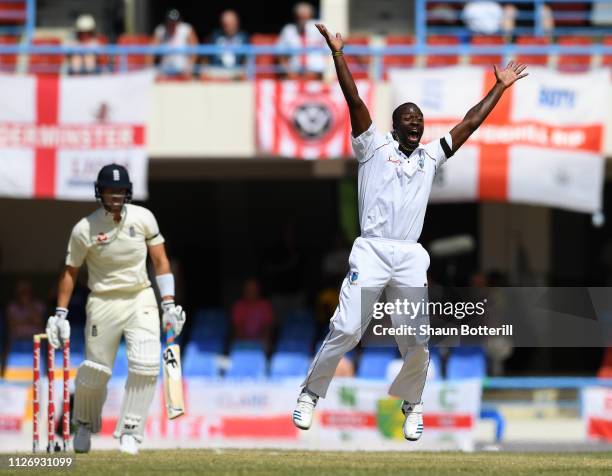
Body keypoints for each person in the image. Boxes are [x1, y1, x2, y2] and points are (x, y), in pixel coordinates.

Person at [292, 23, 528, 441]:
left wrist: (500, 88)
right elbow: (354, 99)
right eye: (408, 119)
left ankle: (413, 404)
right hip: (371, 250)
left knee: (417, 339)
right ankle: (311, 391)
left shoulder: (429, 157)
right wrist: (338, 55)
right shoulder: (372, 146)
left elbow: (470, 123)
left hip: (409, 255)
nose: (416, 123)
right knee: (347, 328)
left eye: (419, 118)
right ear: (396, 126)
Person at [45, 164, 186, 454]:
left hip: (140, 297)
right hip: (103, 301)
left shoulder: (144, 218)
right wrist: (59, 314)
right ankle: (83, 424)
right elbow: (70, 272)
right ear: (101, 192)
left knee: (146, 361)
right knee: (96, 371)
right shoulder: (84, 229)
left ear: (128, 191)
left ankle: (131, 431)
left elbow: (160, 262)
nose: (116, 195)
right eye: (111, 190)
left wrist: (169, 303)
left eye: (121, 190)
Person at [277, 2, 326, 79]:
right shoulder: (288, 30)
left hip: (317, 73)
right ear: (295, 17)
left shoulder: (320, 28)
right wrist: (288, 72)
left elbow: (330, 51)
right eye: (299, 17)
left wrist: (326, 72)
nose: (302, 20)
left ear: (310, 16)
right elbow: (280, 53)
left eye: (305, 17)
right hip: (294, 72)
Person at [152, 9, 198, 78]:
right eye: (170, 21)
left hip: (183, 70)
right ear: (166, 21)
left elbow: (195, 49)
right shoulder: (160, 30)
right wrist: (152, 71)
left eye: (175, 22)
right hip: (164, 71)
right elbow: (150, 51)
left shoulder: (186, 29)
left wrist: (189, 67)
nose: (172, 24)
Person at [203, 10, 249, 80]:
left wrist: (245, 70)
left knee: (245, 73)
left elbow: (247, 58)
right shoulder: (215, 35)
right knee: (204, 71)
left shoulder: (243, 37)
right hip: (217, 70)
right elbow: (205, 55)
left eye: (231, 23)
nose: (228, 26)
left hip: (236, 70)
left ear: (237, 23)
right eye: (225, 24)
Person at [231, 278, 275, 347]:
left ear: (258, 290)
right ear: (244, 291)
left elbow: (267, 326)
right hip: (242, 339)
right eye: (249, 289)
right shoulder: (239, 305)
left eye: (253, 289)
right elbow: (238, 327)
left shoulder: (265, 305)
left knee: (267, 342)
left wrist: (259, 341)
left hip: (261, 340)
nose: (251, 292)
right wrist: (247, 342)